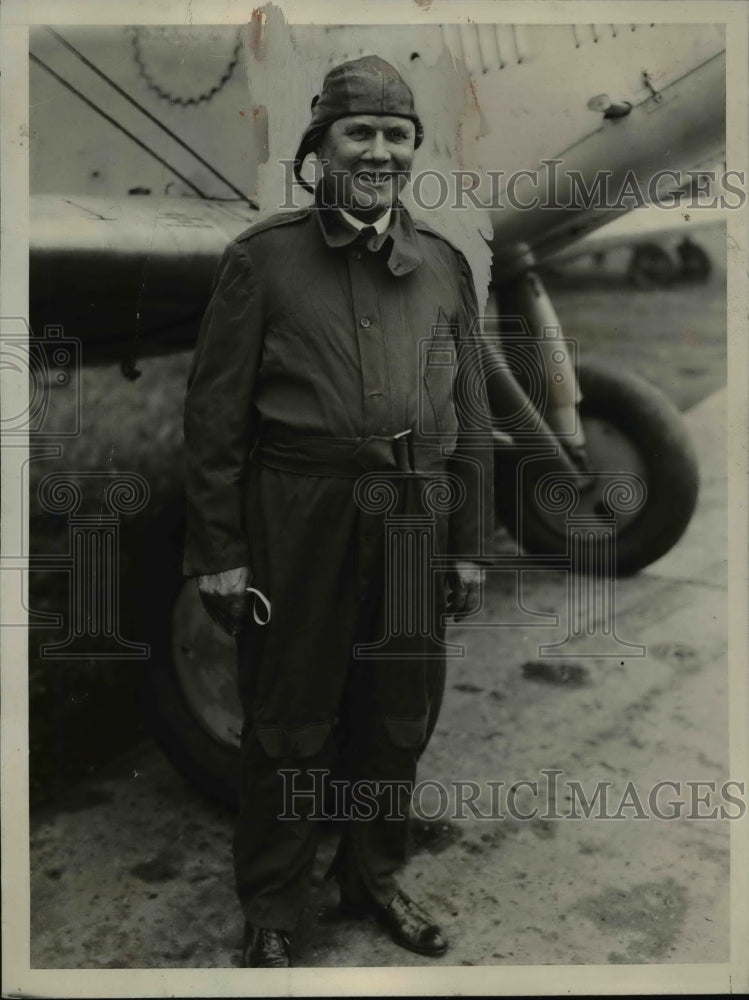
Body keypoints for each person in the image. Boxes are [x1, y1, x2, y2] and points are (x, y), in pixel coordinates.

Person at [183, 55, 493, 967]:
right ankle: (274, 906)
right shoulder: (262, 259)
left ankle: (374, 878)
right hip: (299, 514)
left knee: (398, 713)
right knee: (289, 720)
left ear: (412, 153)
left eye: (397, 135)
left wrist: (466, 545)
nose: (380, 151)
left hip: (410, 520)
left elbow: (470, 413)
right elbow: (212, 419)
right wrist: (220, 552)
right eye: (359, 132)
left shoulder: (442, 266)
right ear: (319, 148)